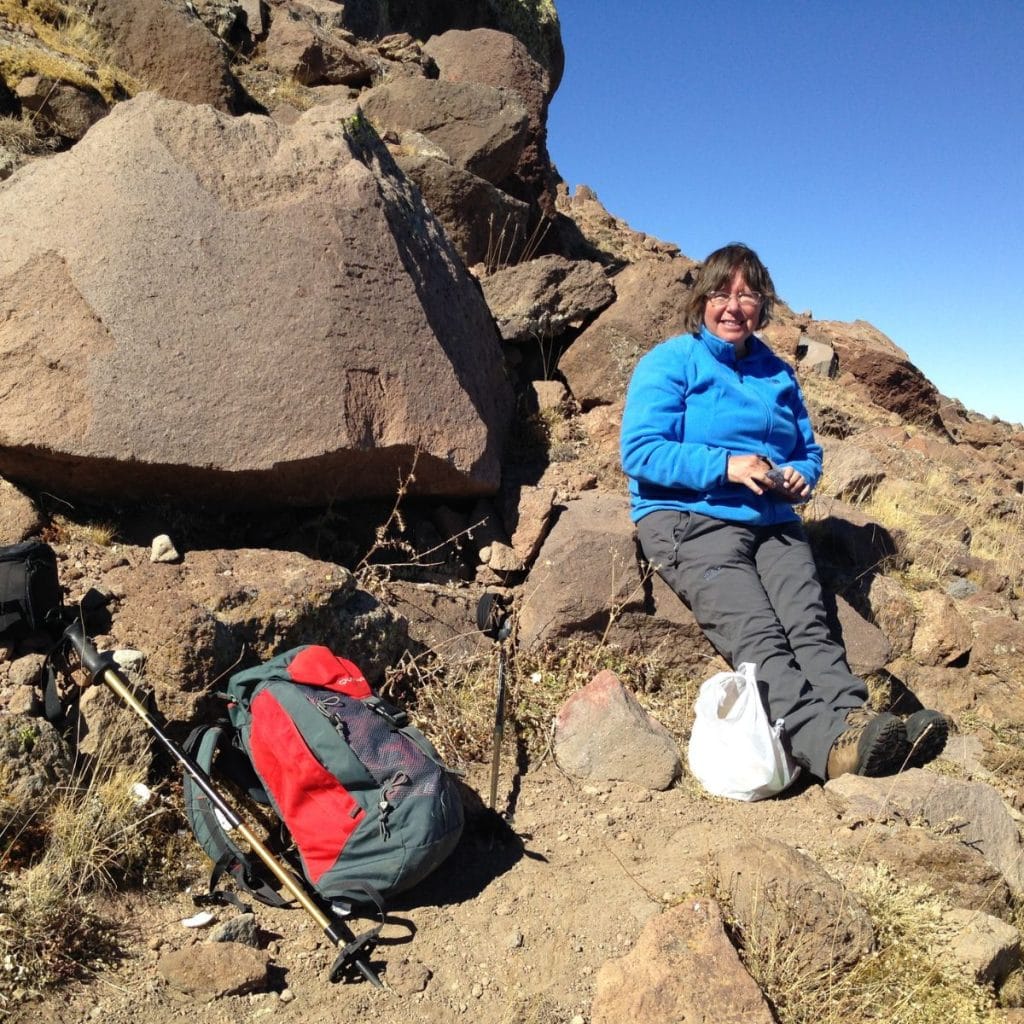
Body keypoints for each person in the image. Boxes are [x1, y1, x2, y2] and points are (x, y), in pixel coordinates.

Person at [620, 242, 947, 782]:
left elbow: (807, 451)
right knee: (759, 633)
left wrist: (802, 475)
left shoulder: (777, 373)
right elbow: (640, 451)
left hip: (772, 520)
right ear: (701, 299)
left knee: (812, 626)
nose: (733, 306)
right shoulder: (671, 361)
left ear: (762, 306)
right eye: (722, 293)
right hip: (690, 518)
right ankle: (825, 748)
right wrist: (726, 466)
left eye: (747, 296)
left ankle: (862, 726)